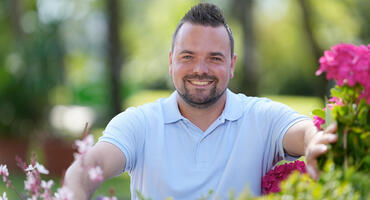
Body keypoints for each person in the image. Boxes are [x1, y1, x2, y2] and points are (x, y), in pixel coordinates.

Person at [65, 3, 338, 199]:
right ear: (171, 62)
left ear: (232, 65)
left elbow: (303, 130)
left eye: (215, 58)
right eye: (188, 57)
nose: (200, 69)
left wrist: (314, 141)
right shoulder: (139, 123)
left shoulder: (261, 117)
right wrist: (76, 191)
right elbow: (92, 165)